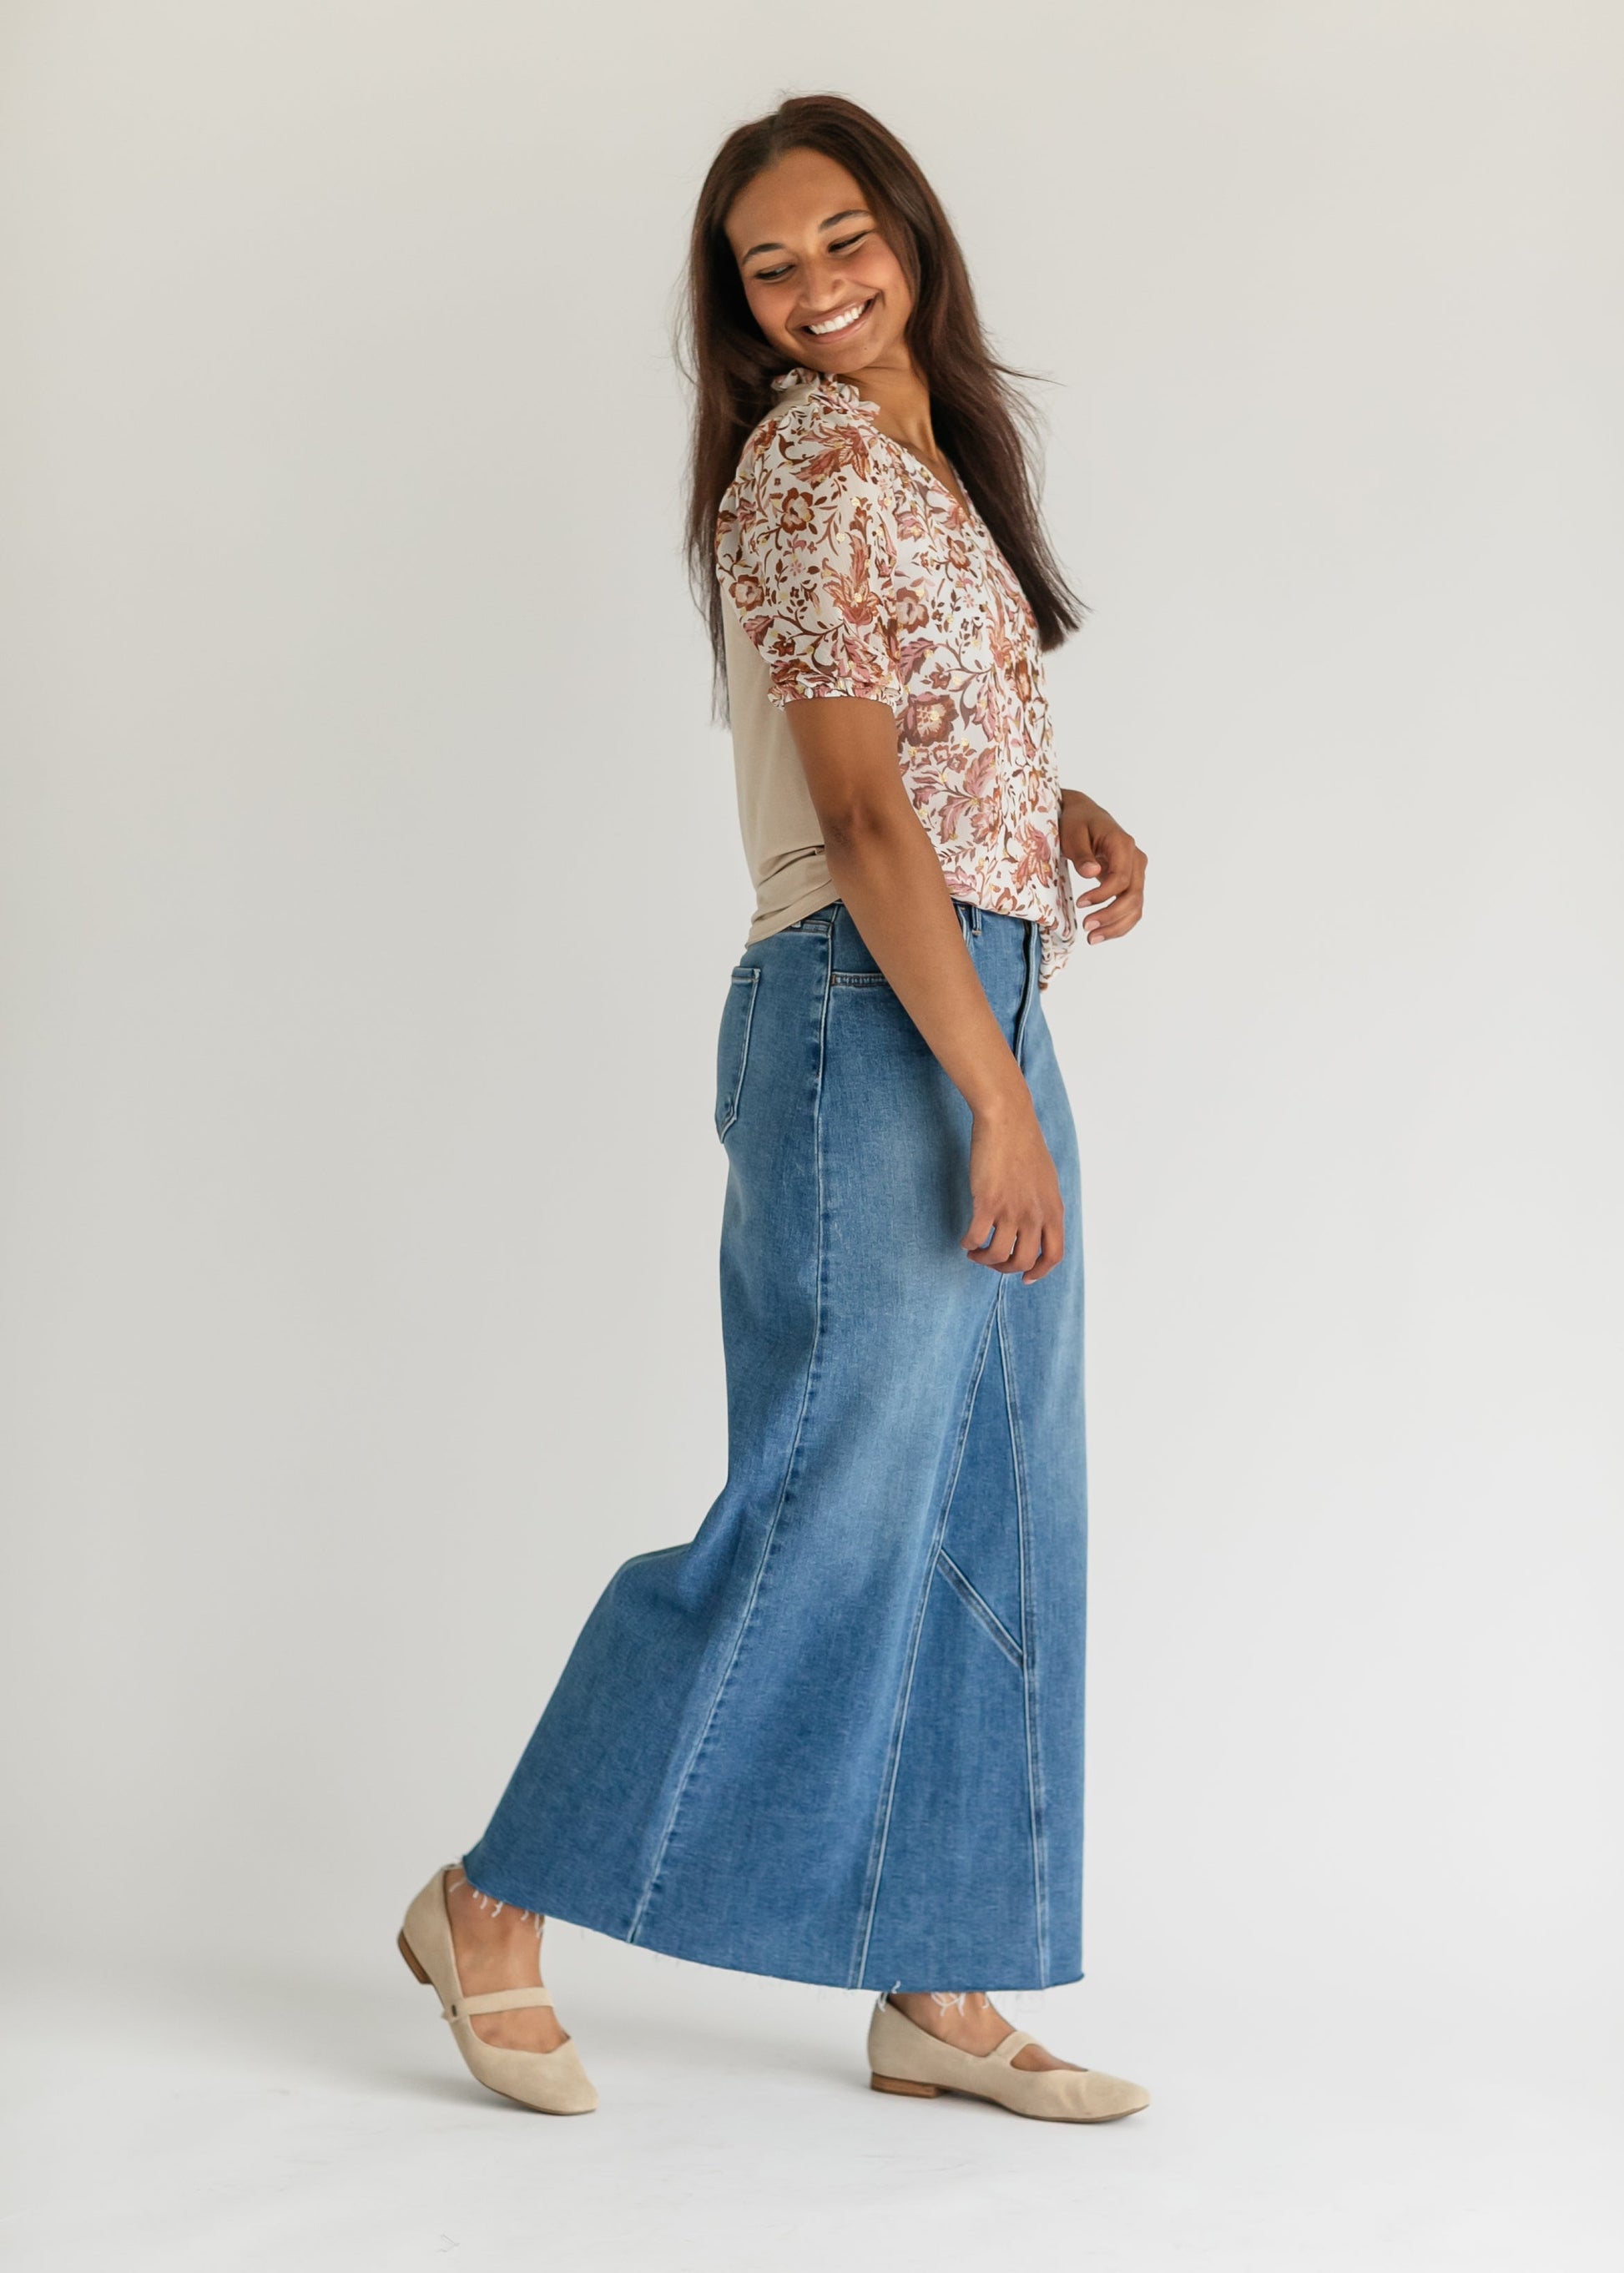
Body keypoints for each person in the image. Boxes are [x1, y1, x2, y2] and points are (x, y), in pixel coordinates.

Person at [397, 94, 1151, 2124]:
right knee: (830, 1499)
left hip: (973, 983)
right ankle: (488, 1902)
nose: (816, 286)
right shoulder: (807, 468)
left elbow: (915, 755)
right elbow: (854, 815)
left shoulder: (925, 459)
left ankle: (940, 1988)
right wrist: (989, 1093)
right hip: (876, 1015)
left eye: (842, 240)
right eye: (769, 266)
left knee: (999, 1503)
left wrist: (1052, 811)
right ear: (737, 305)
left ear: (909, 233)